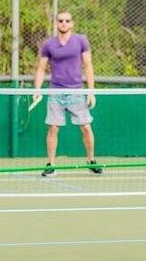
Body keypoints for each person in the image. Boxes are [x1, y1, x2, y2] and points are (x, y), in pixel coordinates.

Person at [33, 11, 102, 177]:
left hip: (76, 92)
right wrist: (37, 89)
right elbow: (41, 68)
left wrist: (91, 92)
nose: (64, 23)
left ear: (72, 23)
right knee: (53, 128)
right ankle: (50, 165)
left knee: (86, 127)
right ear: (56, 23)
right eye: (60, 21)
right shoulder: (49, 44)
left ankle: (91, 160)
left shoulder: (81, 41)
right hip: (56, 92)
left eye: (67, 21)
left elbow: (88, 66)